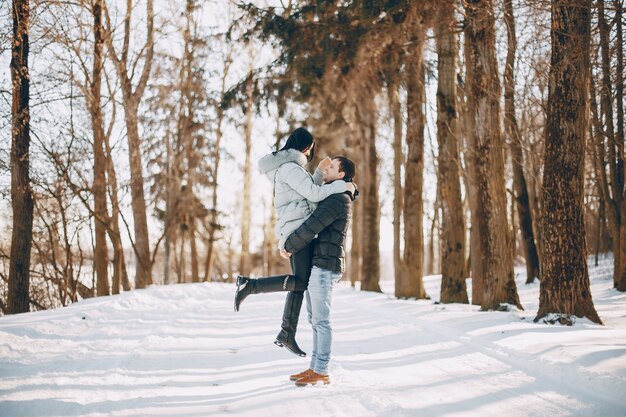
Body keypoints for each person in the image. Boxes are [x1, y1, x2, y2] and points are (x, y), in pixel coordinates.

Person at [233, 127, 355, 358]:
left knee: (301, 281)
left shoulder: (292, 168)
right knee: (300, 282)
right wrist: (346, 186)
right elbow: (315, 195)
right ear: (307, 147)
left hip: (298, 228)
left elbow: (307, 193)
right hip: (297, 230)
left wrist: (319, 174)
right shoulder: (290, 168)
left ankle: (286, 333)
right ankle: (250, 286)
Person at [282, 156, 358, 387]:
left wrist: (289, 245)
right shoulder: (333, 195)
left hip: (326, 266)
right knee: (314, 319)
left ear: (341, 175)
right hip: (321, 263)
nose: (327, 168)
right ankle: (315, 368)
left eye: (332, 167)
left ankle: (322, 369)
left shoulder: (337, 200)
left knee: (321, 321)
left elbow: (312, 225)